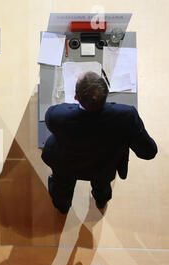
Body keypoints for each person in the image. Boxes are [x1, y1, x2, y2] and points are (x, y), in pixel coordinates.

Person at [41, 71, 157, 214]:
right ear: (106, 94)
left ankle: (62, 206)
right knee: (102, 186)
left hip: (67, 164)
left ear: (76, 97)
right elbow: (148, 152)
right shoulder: (127, 116)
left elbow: (50, 119)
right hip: (104, 166)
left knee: (62, 188)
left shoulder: (57, 116)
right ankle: (101, 201)